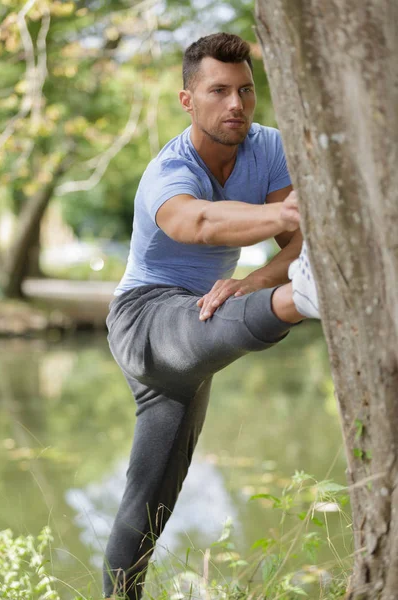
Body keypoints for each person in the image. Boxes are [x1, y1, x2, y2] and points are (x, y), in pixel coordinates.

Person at [103, 32, 320, 600]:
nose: (236, 106)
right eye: (219, 91)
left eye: (245, 91)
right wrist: (289, 217)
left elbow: (297, 247)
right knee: (233, 308)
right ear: (187, 99)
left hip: (200, 327)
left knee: (145, 509)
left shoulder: (267, 146)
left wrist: (251, 280)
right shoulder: (167, 170)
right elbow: (195, 223)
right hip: (146, 323)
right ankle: (306, 301)